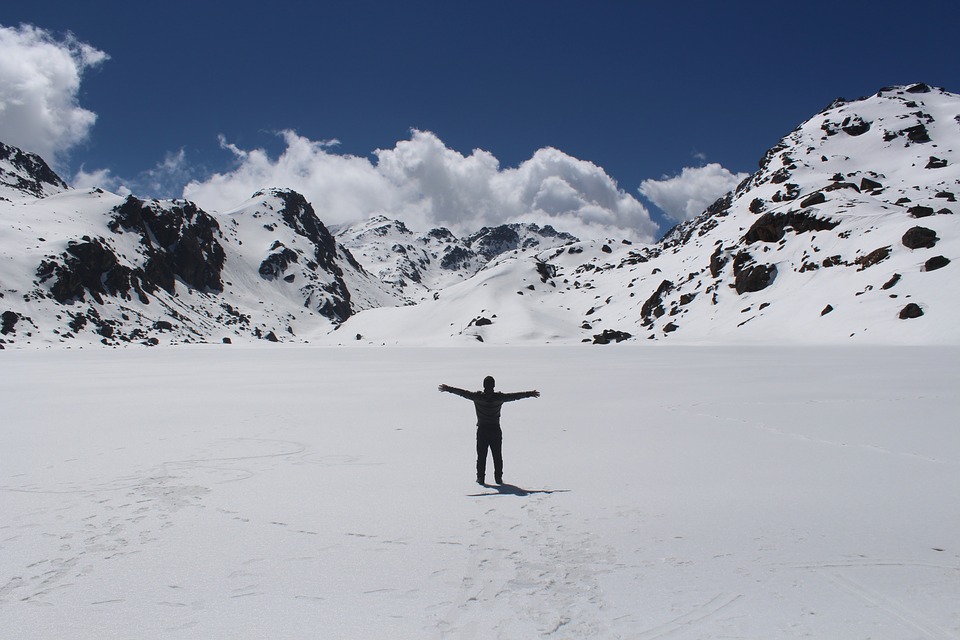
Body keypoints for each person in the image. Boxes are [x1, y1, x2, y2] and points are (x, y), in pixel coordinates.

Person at [439, 376, 540, 485]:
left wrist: (448, 388)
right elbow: (515, 396)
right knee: (497, 455)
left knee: (481, 456)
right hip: (495, 430)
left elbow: (463, 393)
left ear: (484, 385)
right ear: (493, 386)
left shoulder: (477, 397)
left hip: (482, 430)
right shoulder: (499, 397)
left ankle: (481, 478)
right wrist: (529, 393)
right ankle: (498, 478)